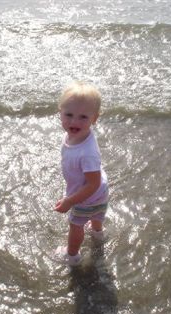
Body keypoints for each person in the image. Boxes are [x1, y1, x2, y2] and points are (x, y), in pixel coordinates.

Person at [54, 81, 109, 266]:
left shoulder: (87, 152)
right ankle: (98, 233)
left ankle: (72, 256)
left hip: (87, 195)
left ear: (94, 119)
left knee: (76, 226)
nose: (74, 122)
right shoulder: (74, 135)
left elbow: (92, 184)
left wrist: (70, 200)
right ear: (59, 112)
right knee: (97, 215)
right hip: (99, 193)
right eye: (68, 115)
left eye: (83, 117)